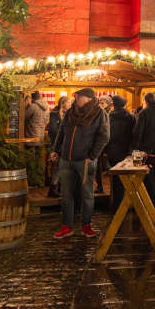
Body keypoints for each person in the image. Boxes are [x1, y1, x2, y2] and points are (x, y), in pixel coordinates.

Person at [50, 88, 110, 239]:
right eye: (76, 96)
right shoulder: (71, 112)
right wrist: (56, 150)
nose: (76, 98)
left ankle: (86, 225)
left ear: (89, 98)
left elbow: (104, 136)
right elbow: (62, 132)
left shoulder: (99, 113)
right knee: (66, 194)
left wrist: (92, 156)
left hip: (85, 160)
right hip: (66, 159)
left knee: (87, 195)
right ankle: (66, 226)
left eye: (79, 96)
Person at [133, 92, 155, 212]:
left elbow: (138, 133)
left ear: (145, 101)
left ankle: (153, 207)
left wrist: (135, 151)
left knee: (149, 180)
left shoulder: (144, 112)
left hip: (147, 152)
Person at [106, 95, 135, 211]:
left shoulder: (109, 116)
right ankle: (126, 205)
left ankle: (116, 205)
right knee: (127, 179)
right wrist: (131, 151)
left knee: (115, 179)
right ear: (124, 104)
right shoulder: (130, 117)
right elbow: (134, 135)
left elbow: (105, 134)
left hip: (112, 151)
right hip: (126, 151)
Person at [46, 96, 72, 197]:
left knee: (62, 167)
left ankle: (60, 188)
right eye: (69, 102)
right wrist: (64, 134)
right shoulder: (54, 114)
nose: (70, 104)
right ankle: (52, 189)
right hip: (56, 144)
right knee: (58, 167)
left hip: (65, 145)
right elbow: (52, 129)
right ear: (63, 103)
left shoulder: (68, 114)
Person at [95, 96, 113, 194]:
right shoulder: (99, 113)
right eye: (100, 103)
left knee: (106, 166)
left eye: (103, 103)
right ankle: (100, 186)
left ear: (108, 104)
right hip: (101, 143)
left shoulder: (109, 114)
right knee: (99, 166)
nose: (101, 105)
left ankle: (108, 188)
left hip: (107, 143)